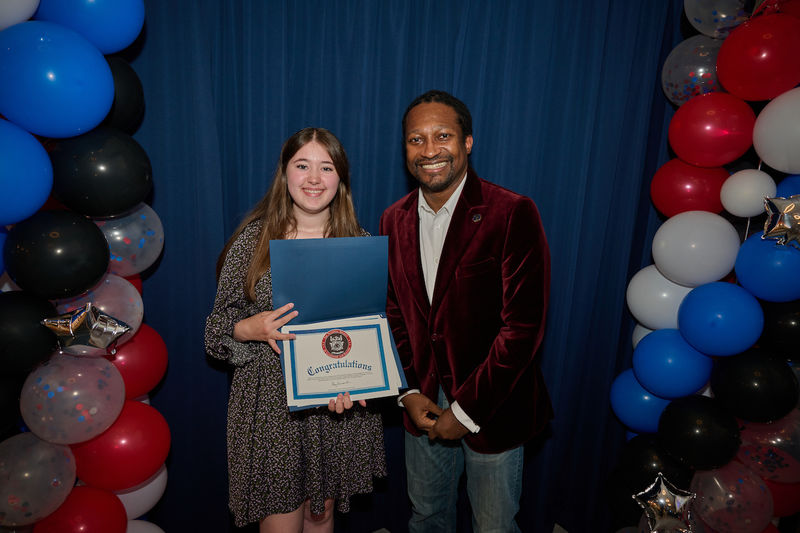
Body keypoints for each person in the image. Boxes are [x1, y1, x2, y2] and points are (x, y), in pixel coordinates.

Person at [379, 90, 552, 533]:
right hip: (423, 405)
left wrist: (466, 411)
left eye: (443, 136)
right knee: (427, 518)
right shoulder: (392, 220)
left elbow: (523, 328)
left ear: (468, 142)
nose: (430, 150)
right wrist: (409, 391)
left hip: (492, 404)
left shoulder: (511, 212)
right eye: (416, 140)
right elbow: (394, 314)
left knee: (494, 525)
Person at [205, 127, 386, 533]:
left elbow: (372, 333)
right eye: (302, 166)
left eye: (327, 167)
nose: (314, 179)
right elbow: (214, 332)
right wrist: (247, 329)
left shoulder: (359, 244)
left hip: (334, 410)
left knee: (320, 521)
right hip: (272, 410)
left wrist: (357, 385)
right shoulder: (254, 241)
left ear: (341, 179)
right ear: (284, 173)